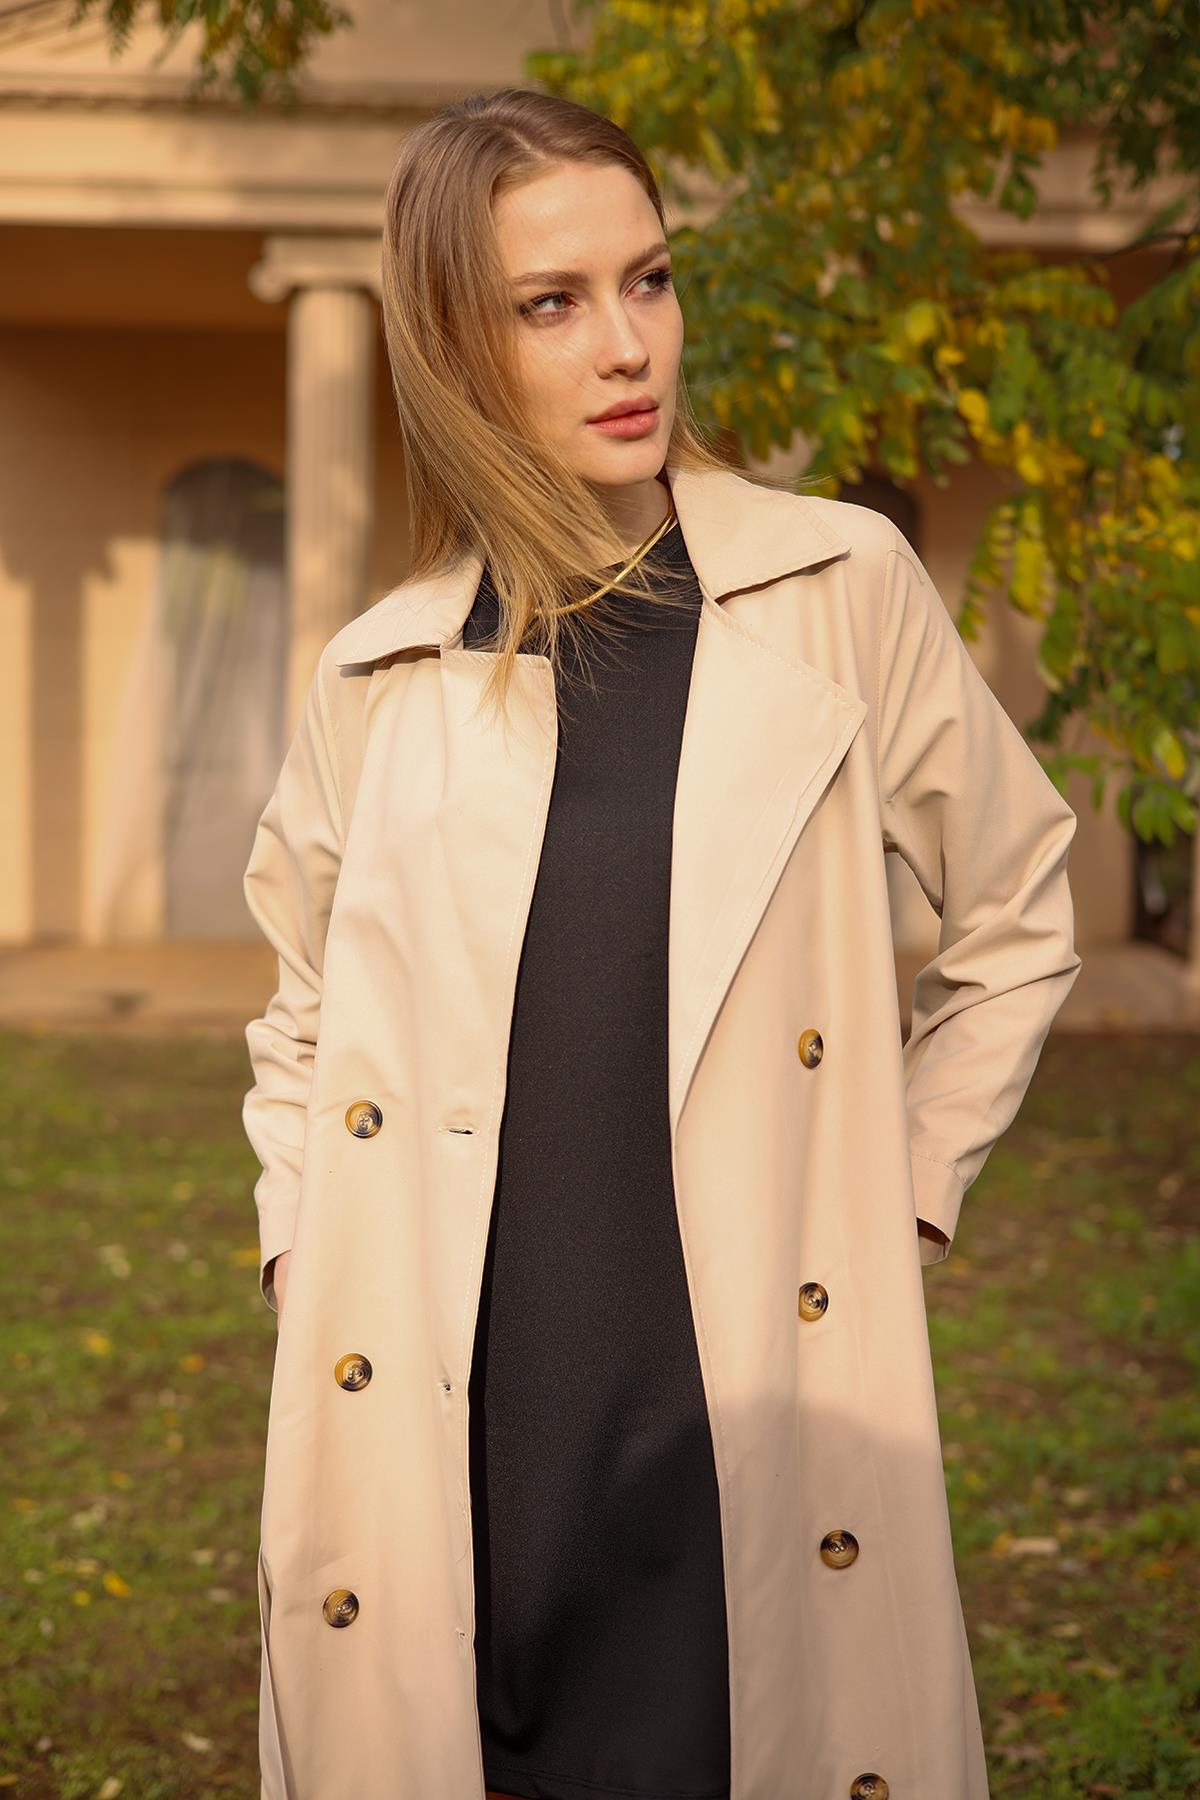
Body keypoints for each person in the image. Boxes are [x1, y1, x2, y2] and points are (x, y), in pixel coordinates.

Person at [244, 87, 1080, 1800]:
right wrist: (300, 1252)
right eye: (551, 304)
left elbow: (1017, 911)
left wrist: (903, 1189)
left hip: (742, 1393)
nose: (628, 346)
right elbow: (301, 1011)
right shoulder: (377, 674)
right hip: (461, 1410)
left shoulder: (840, 588)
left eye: (650, 279)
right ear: (455, 347)